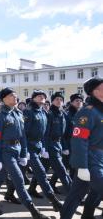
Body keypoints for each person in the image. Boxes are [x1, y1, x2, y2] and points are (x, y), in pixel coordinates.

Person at [0, 87, 50, 219]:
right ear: (4, 99)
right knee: (19, 180)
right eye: (12, 96)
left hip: (17, 150)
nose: (15, 98)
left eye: (15, 96)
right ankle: (35, 212)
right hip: (5, 152)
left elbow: (23, 136)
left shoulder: (18, 114)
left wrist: (24, 153)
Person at [61, 77, 103, 219]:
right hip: (90, 158)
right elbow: (79, 139)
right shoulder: (88, 112)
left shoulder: (100, 110)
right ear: (95, 91)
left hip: (100, 156)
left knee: (78, 194)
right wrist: (82, 166)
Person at [24, 90, 63, 211]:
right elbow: (23, 133)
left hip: (38, 146)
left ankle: (9, 193)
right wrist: (25, 150)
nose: (42, 98)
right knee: (41, 172)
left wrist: (44, 147)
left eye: (44, 96)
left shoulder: (43, 112)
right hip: (29, 147)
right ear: (33, 98)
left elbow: (45, 132)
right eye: (39, 96)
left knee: (15, 173)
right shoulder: (28, 112)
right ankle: (54, 201)